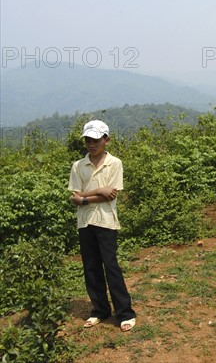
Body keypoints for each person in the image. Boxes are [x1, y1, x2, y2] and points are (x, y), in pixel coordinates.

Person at [68, 120, 136, 332]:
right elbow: (75, 196)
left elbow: (111, 195)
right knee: (90, 266)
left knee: (111, 265)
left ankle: (125, 313)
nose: (91, 144)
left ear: (106, 140)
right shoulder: (78, 165)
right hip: (85, 221)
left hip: (105, 220)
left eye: (96, 140)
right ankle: (100, 310)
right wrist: (97, 192)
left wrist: (85, 197)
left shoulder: (114, 163)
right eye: (88, 140)